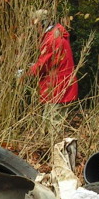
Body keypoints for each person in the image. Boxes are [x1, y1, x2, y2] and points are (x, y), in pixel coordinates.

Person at [28, 9, 78, 137]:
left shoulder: (52, 39)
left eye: (35, 25)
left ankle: (57, 156)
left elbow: (42, 66)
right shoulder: (55, 35)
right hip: (57, 88)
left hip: (58, 89)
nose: (34, 29)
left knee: (54, 131)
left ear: (41, 23)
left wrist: (25, 72)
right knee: (47, 126)